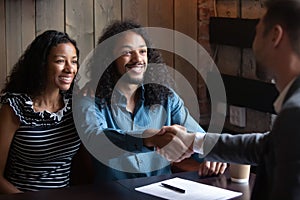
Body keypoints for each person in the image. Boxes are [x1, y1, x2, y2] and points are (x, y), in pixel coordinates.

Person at [157, 0, 300, 199]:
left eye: (257, 31)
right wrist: (194, 141)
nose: (253, 42)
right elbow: (263, 146)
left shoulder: (294, 113)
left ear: (275, 36)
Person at [73, 20, 227, 182]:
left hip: (163, 191)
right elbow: (96, 140)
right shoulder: (89, 100)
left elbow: (197, 137)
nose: (137, 58)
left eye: (142, 51)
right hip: (113, 193)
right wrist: (147, 138)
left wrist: (213, 153)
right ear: (109, 59)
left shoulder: (167, 98)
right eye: (127, 52)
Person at [0, 30, 81, 193]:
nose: (69, 69)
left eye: (74, 62)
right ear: (41, 64)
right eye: (60, 61)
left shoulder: (76, 106)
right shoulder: (14, 107)